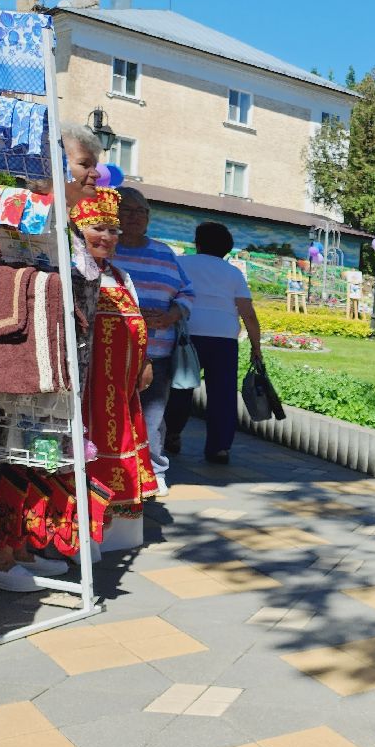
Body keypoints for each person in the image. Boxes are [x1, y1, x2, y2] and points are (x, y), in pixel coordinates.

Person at [73, 187, 157, 525]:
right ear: (78, 230)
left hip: (119, 395)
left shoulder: (121, 277)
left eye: (113, 230)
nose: (106, 237)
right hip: (83, 392)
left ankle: (106, 522)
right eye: (97, 228)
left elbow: (136, 325)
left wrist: (145, 363)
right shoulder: (70, 274)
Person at [113, 187, 193, 496]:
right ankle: (113, 467)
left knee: (152, 414)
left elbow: (187, 293)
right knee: (111, 411)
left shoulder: (164, 252)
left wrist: (171, 316)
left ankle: (155, 470)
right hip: (111, 348)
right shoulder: (107, 247)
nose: (134, 217)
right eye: (127, 210)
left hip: (157, 350)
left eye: (141, 211)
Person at [164, 223, 262, 464]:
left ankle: (173, 434)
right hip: (224, 338)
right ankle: (220, 448)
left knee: (180, 387)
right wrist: (256, 347)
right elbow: (248, 313)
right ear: (227, 248)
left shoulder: (181, 263)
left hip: (188, 334)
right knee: (223, 394)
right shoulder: (233, 273)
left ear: (198, 243)